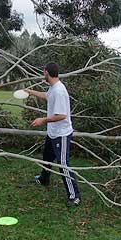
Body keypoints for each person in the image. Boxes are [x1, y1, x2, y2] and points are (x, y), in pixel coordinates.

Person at [25, 63, 81, 207]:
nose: (43, 75)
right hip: (52, 132)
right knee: (47, 158)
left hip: (61, 134)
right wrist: (30, 91)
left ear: (46, 73)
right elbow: (46, 96)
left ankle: (74, 196)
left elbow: (61, 115)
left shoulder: (59, 91)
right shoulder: (53, 88)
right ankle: (44, 179)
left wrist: (42, 120)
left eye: (43, 73)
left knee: (63, 165)